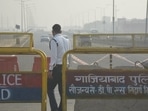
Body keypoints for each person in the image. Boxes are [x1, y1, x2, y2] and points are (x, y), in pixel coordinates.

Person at [48, 24, 70, 111]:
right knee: (62, 91)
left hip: (57, 68)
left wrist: (50, 70)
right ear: (61, 31)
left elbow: (53, 57)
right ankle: (61, 108)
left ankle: (54, 109)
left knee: (49, 88)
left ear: (53, 32)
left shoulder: (54, 40)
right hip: (65, 67)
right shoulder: (67, 40)